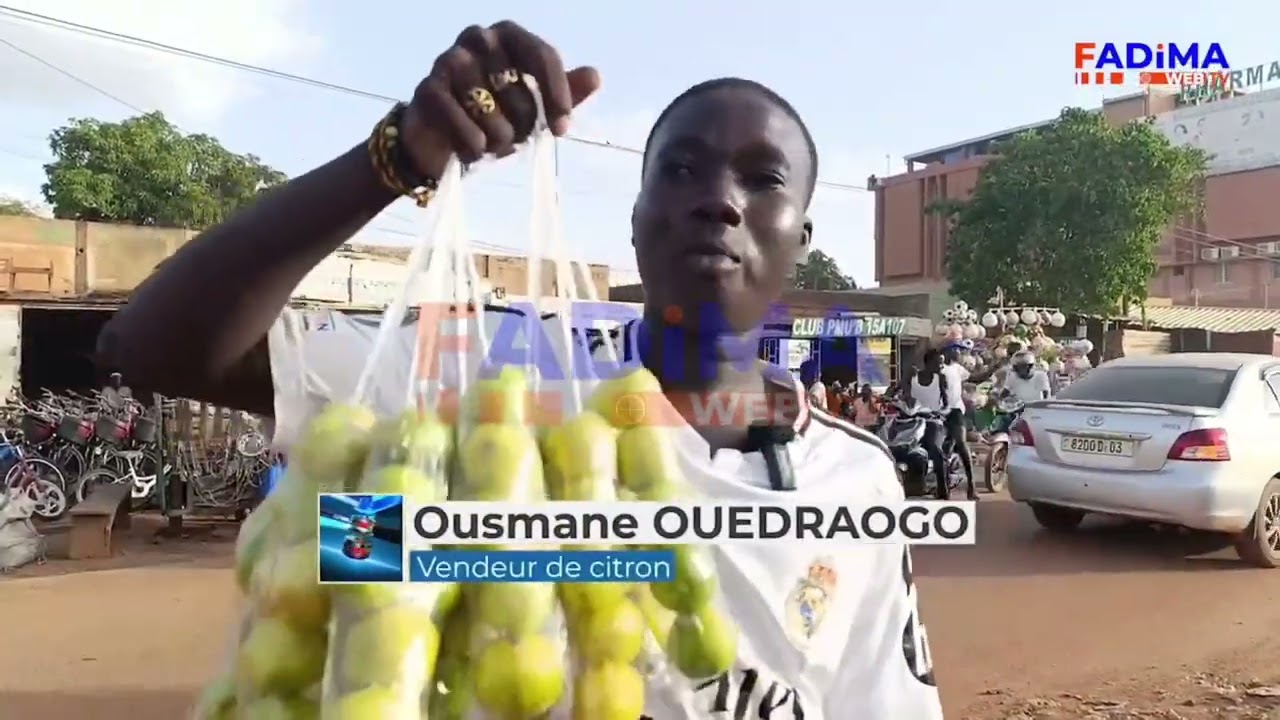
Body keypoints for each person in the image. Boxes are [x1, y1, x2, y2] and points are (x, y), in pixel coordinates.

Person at [95, 22, 942, 720]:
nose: (719, 199)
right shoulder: (484, 376)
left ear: (801, 240)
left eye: (762, 179)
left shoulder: (855, 479)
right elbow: (155, 346)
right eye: (681, 169)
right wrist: (393, 160)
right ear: (637, 219)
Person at [940, 343, 979, 500]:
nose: (958, 353)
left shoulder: (958, 368)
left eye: (959, 350)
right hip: (939, 412)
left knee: (961, 443)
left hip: (955, 412)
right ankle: (942, 486)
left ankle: (972, 485)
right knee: (942, 449)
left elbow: (975, 378)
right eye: (955, 349)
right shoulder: (938, 369)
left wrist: (993, 368)